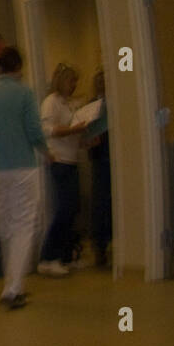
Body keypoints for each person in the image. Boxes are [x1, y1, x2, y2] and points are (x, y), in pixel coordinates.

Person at [0, 46, 48, 309]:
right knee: (24, 227)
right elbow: (34, 131)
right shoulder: (24, 93)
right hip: (22, 168)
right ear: (18, 67)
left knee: (7, 229)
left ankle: (11, 284)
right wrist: (47, 152)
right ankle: (12, 290)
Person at [38, 63, 89, 276]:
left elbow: (71, 131)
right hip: (59, 161)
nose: (74, 85)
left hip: (71, 160)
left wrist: (83, 136)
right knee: (64, 210)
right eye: (71, 81)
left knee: (73, 209)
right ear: (61, 81)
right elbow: (47, 130)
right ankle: (48, 257)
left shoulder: (69, 104)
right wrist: (72, 130)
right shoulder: (51, 102)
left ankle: (67, 256)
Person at [84, 68, 112, 269]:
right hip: (99, 156)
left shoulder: (116, 103)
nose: (102, 85)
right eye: (99, 82)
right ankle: (100, 247)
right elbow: (85, 131)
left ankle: (108, 243)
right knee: (100, 203)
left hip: (113, 155)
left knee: (112, 203)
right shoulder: (92, 105)